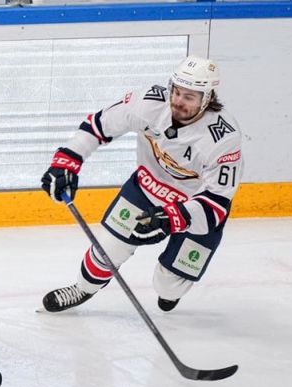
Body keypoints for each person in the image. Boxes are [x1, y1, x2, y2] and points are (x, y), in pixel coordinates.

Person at [41, 55, 243, 313]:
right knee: (108, 249)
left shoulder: (223, 138)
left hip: (194, 208)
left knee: (168, 287)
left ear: (207, 99)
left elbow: (217, 203)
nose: (178, 101)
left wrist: (171, 218)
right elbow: (98, 126)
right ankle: (83, 288)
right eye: (176, 91)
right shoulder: (149, 103)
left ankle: (170, 289)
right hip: (148, 187)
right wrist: (67, 161)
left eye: (189, 97)